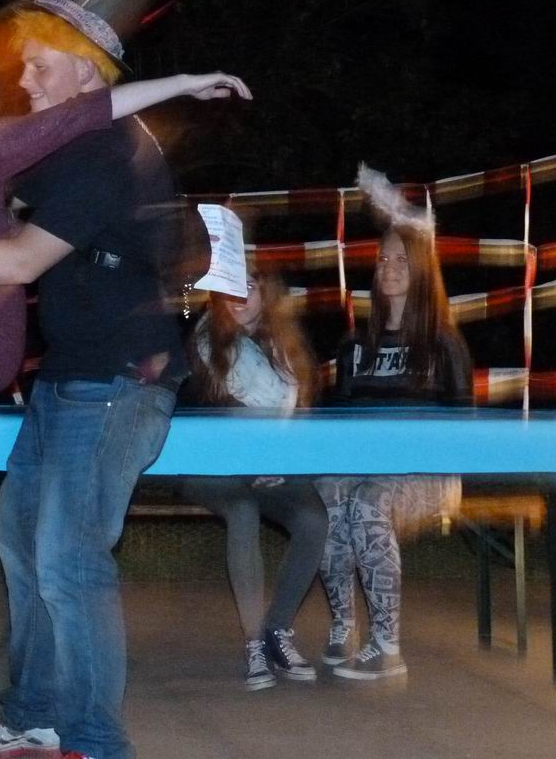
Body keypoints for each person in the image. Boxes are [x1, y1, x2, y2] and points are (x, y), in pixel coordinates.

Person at [0, 0, 251, 759]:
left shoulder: (105, 151)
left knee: (64, 560)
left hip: (115, 378)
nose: (22, 81)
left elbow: (20, 260)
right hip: (64, 380)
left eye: (39, 66)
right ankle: (30, 716)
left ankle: (92, 741)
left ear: (84, 72)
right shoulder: (50, 153)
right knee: (19, 548)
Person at [318, 218, 472, 681]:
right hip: (365, 469)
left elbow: (463, 430)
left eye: (402, 259)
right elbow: (336, 424)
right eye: (383, 258)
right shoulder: (354, 345)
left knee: (368, 501)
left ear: (422, 269)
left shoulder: (443, 343)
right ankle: (344, 623)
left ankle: (387, 647)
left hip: (428, 476)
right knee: (327, 494)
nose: (389, 267)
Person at [182, 270, 327, 691]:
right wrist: (252, 458)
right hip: (213, 469)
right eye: (229, 284)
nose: (238, 295)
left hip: (273, 466)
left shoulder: (288, 348)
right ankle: (253, 644)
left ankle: (276, 630)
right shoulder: (203, 344)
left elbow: (304, 420)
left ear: (267, 293)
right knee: (243, 511)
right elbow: (198, 420)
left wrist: (280, 459)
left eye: (248, 284)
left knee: (314, 520)